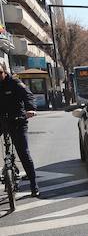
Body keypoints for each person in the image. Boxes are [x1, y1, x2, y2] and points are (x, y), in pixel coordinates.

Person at [0, 63, 39, 196]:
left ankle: (34, 185)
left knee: (23, 152)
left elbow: (28, 95)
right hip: (2, 120)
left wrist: (30, 109)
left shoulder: (14, 82)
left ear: (4, 72)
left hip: (17, 119)